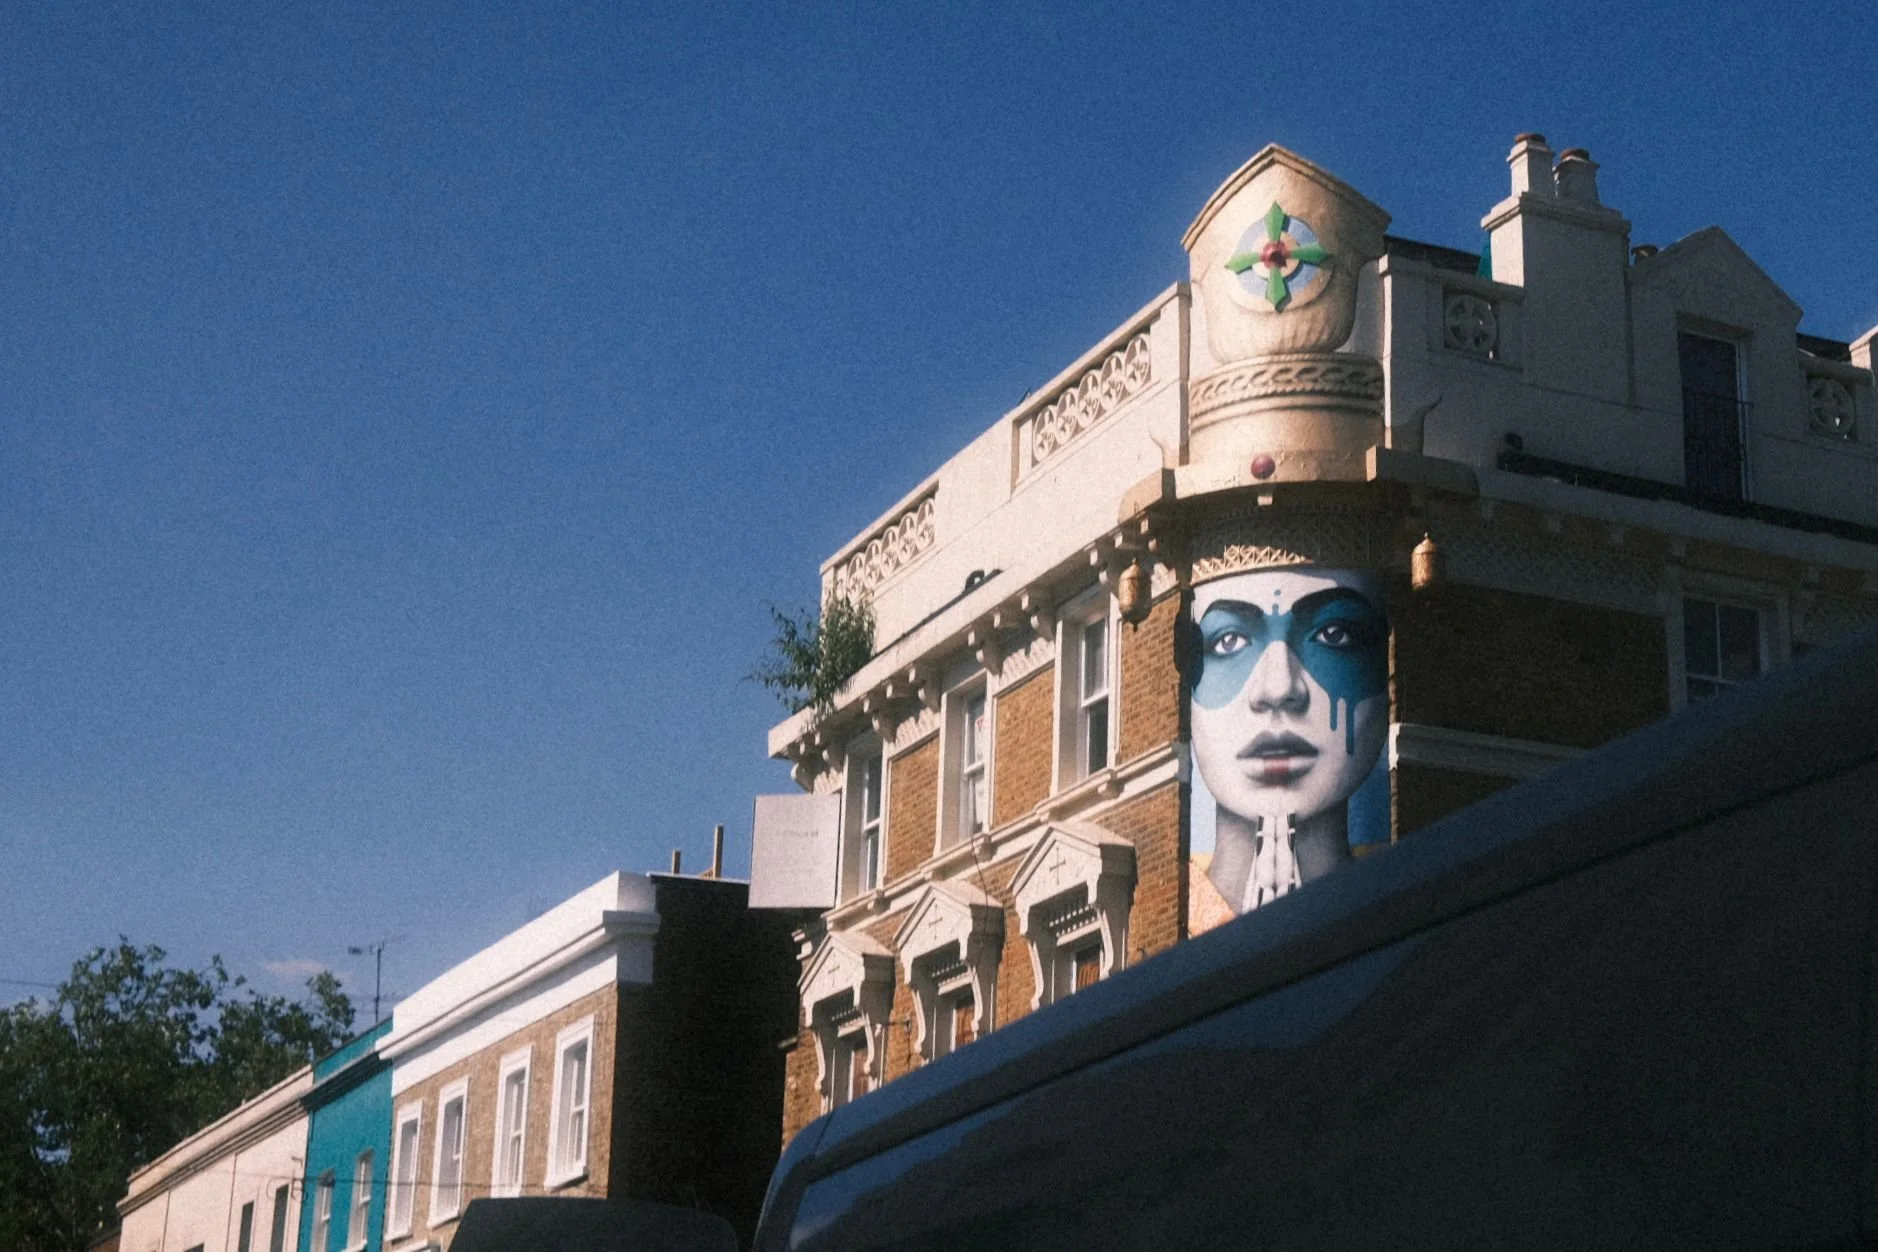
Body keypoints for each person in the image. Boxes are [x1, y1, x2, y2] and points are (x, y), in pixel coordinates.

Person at [1187, 566, 1389, 916]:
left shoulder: (1406, 885)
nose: (1278, 689)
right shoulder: (1163, 895)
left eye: (1333, 635)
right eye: (1229, 641)